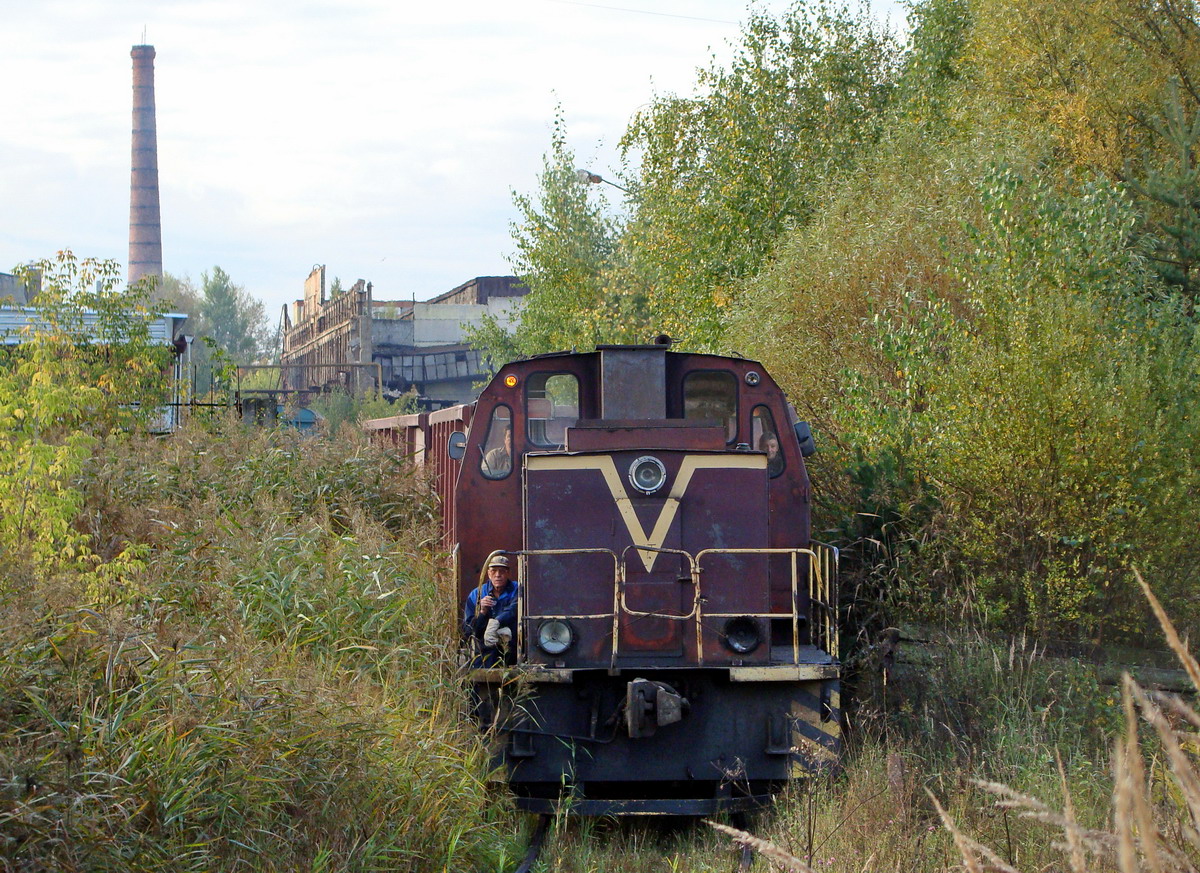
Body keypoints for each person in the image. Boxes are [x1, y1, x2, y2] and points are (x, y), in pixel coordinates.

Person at [463, 553, 519, 665]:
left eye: (502, 571)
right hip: (485, 651)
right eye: (494, 571)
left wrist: (497, 621)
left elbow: (515, 608)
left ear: (508, 573)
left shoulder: (518, 589)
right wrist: (482, 612)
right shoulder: (477, 594)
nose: (498, 575)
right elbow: (468, 630)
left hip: (513, 648)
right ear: (488, 573)